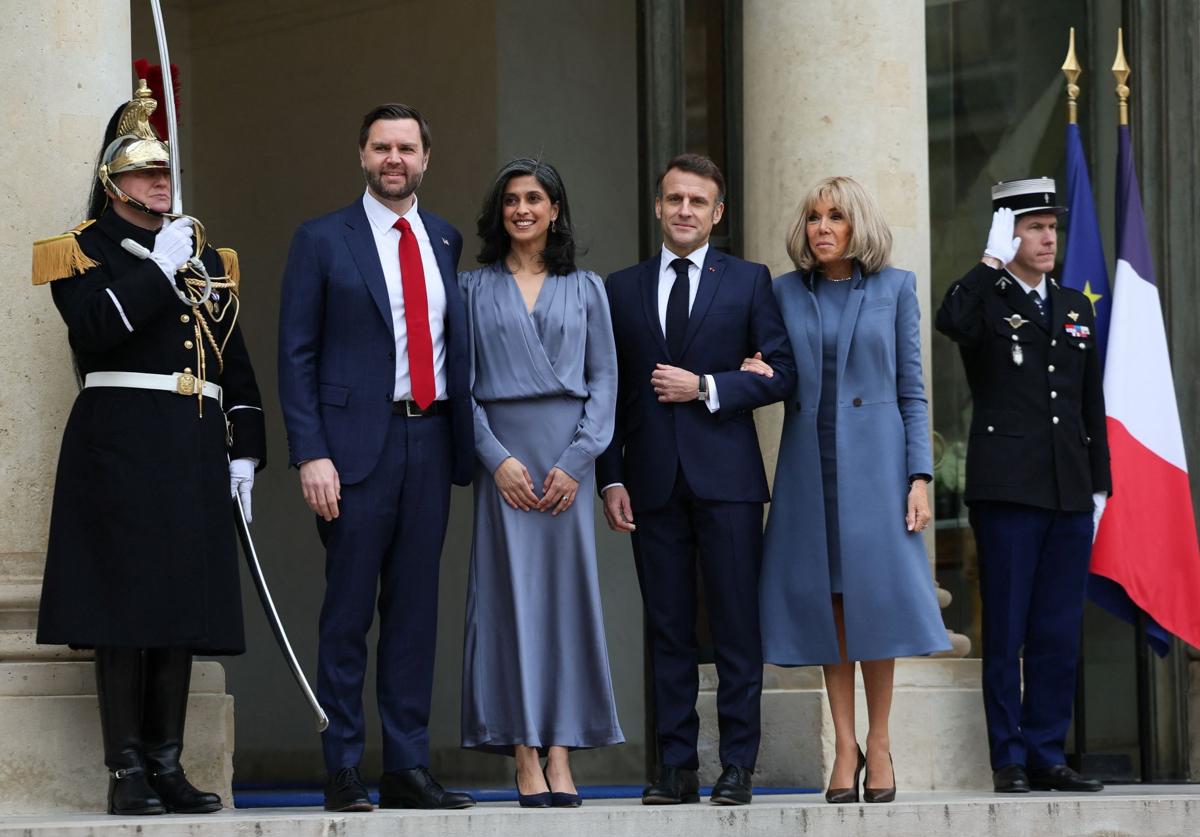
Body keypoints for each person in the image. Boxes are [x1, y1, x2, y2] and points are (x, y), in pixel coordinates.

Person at [33, 79, 266, 816]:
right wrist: (157, 269)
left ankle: (168, 762)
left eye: (165, 171)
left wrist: (245, 450)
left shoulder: (201, 251)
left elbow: (236, 359)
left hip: (193, 440)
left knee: (178, 607)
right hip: (122, 440)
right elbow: (94, 329)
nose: (160, 181)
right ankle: (126, 767)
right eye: (144, 171)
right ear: (113, 180)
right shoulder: (82, 250)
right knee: (123, 608)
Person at [278, 103, 475, 812]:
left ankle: (408, 765)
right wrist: (311, 453)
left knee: (416, 613)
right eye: (382, 147)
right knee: (347, 613)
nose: (395, 159)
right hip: (354, 450)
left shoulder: (445, 240)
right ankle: (342, 765)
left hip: (431, 437)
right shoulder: (322, 239)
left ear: (426, 159)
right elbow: (296, 355)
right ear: (362, 155)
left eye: (408, 148)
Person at [597, 153, 795, 806]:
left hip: (729, 482)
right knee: (668, 629)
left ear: (718, 213)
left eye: (697, 201)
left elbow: (783, 373)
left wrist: (708, 385)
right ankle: (675, 767)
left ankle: (738, 764)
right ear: (658, 207)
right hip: (650, 481)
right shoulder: (620, 288)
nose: (685, 210)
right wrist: (610, 477)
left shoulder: (748, 280)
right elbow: (612, 393)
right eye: (674, 198)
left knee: (738, 626)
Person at [754, 176, 949, 805]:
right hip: (810, 468)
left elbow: (914, 391)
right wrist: (755, 372)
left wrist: (919, 478)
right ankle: (845, 746)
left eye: (835, 215)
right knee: (828, 603)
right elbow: (777, 371)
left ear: (857, 223)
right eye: (813, 216)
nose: (821, 227)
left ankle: (882, 742)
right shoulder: (783, 292)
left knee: (876, 606)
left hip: (879, 466)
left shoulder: (896, 288)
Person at [935, 178, 1110, 794]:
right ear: (1006, 233)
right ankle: (1007, 757)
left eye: (1051, 227)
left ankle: (1046, 752)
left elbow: (1090, 400)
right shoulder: (985, 298)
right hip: (1009, 488)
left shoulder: (1073, 306)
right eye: (1032, 227)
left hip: (1068, 488)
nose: (1046, 238)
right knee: (1006, 629)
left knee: (1058, 631)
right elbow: (948, 320)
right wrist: (986, 262)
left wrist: (1101, 486)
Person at [458, 158, 624, 808]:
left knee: (565, 603)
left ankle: (562, 750)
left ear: (555, 209)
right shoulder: (472, 289)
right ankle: (523, 751)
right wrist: (494, 457)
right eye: (511, 200)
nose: (522, 208)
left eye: (534, 198)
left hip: (566, 466)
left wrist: (580, 459)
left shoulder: (587, 288)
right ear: (499, 213)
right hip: (506, 464)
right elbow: (457, 383)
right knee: (507, 603)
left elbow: (606, 378)